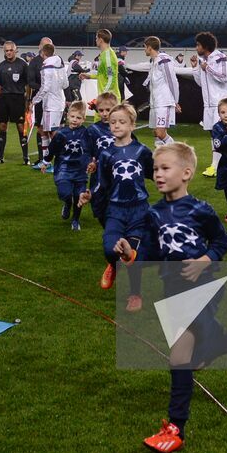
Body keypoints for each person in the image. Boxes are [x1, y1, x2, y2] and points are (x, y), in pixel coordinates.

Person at [131, 141, 227, 453]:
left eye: (165, 168)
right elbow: (153, 252)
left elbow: (222, 241)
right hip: (172, 289)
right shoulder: (153, 213)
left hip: (204, 286)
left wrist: (205, 260)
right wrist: (133, 253)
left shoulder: (201, 209)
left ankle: (176, 428)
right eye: (155, 169)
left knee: (181, 355)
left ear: (187, 173)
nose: (158, 175)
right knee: (191, 357)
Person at [82, 103, 152, 309]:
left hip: (139, 211)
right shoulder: (106, 155)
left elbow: (154, 173)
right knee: (110, 249)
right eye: (113, 122)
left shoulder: (141, 151)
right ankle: (112, 265)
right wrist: (90, 194)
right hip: (115, 211)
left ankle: (135, 294)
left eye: (122, 122)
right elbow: (102, 184)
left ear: (132, 125)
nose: (116, 125)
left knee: (131, 254)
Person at [45, 101, 91, 230]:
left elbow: (90, 149)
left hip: (80, 171)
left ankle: (75, 220)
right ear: (67, 116)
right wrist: (46, 161)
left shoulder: (86, 133)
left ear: (83, 119)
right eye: (72, 117)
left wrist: (92, 161)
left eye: (78, 118)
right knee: (64, 193)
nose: (75, 120)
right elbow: (52, 148)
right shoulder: (61, 133)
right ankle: (67, 202)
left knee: (79, 196)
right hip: (63, 169)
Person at [194, 32, 227, 177]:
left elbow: (224, 77)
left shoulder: (220, 57)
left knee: (219, 134)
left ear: (205, 45)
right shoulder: (203, 60)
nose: (196, 48)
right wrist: (195, 68)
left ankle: (216, 166)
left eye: (198, 45)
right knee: (213, 135)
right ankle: (219, 164)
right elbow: (200, 83)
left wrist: (207, 68)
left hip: (219, 103)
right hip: (208, 104)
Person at [0, 41, 32, 165]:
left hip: (18, 99)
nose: (9, 52)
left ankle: (26, 157)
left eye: (11, 50)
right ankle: (0, 156)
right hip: (4, 99)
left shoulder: (23, 65)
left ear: (16, 50)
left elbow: (28, 85)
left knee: (21, 127)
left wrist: (28, 100)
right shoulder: (2, 65)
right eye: (6, 50)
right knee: (2, 126)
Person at [36, 42, 68, 172]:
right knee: (43, 130)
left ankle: (60, 162)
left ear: (43, 53)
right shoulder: (61, 65)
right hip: (59, 101)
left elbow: (45, 87)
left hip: (51, 104)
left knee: (54, 134)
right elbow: (65, 85)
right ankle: (46, 161)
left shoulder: (46, 68)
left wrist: (35, 100)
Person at [143, 36, 180, 149]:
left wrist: (175, 101)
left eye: (145, 47)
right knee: (156, 134)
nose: (144, 50)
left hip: (164, 102)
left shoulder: (164, 60)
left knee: (160, 133)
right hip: (155, 103)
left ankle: (178, 152)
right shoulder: (154, 62)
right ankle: (160, 159)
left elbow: (172, 81)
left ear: (150, 48)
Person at [82, 28, 120, 101]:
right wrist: (90, 76)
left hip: (109, 99)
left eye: (96, 38)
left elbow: (111, 78)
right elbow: (103, 75)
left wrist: (103, 95)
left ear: (100, 40)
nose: (95, 40)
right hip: (106, 97)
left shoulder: (108, 57)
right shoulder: (104, 55)